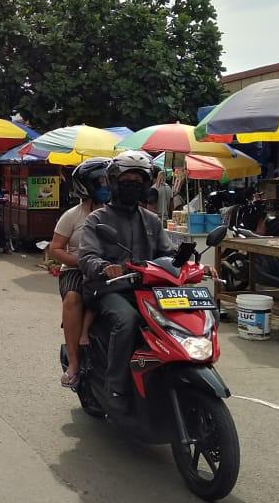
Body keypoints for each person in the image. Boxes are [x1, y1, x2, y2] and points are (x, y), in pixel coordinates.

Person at [78, 150, 176, 416]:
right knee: (127, 320)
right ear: (113, 182)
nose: (132, 184)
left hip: (146, 288)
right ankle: (115, 389)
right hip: (109, 289)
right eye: (126, 179)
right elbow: (86, 256)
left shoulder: (152, 221)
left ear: (146, 184)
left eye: (138, 179)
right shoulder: (97, 219)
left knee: (179, 315)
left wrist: (186, 265)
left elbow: (167, 253)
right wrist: (103, 267)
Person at [50, 157, 111, 388]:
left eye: (108, 181)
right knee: (74, 299)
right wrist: (81, 262)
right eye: (101, 182)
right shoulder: (72, 216)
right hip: (76, 271)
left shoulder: (118, 213)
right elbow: (55, 249)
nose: (106, 186)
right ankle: (74, 363)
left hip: (114, 270)